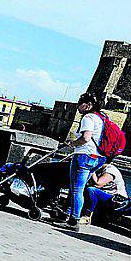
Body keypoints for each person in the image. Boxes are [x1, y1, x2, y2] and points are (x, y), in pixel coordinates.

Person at [57, 92, 106, 231]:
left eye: (80, 103)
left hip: (84, 155)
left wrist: (72, 144)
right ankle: (68, 215)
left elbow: (86, 138)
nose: (78, 106)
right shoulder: (100, 118)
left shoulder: (88, 117)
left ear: (88, 105)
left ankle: (73, 221)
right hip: (97, 158)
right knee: (79, 188)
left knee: (76, 189)